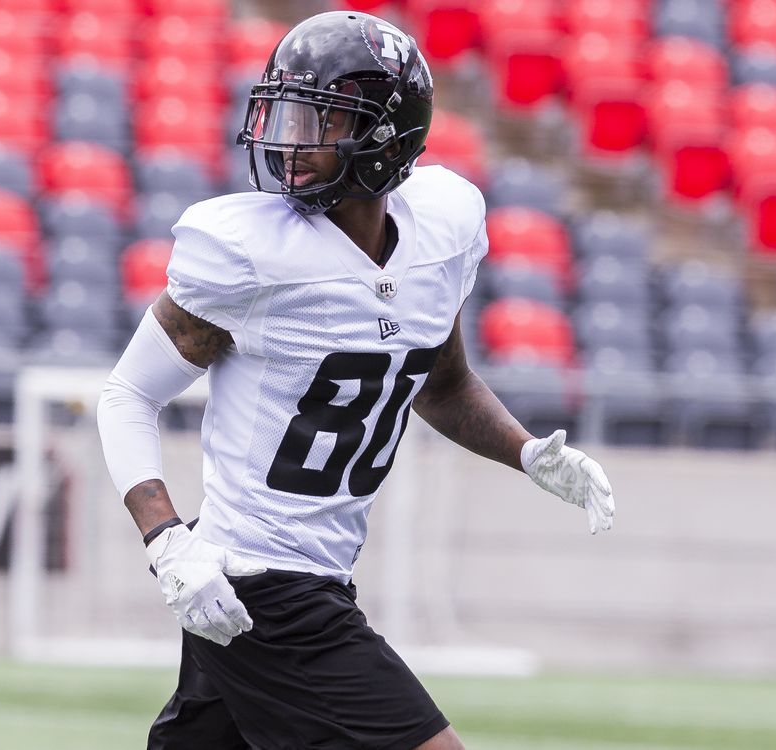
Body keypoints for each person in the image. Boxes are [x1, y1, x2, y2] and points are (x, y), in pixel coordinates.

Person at [97, 10, 615, 749]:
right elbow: (128, 394)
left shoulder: (441, 231)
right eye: (285, 114)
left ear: (387, 135)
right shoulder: (249, 252)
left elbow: (440, 384)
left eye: (319, 120)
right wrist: (166, 540)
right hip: (263, 583)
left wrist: (527, 452)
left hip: (308, 579)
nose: (289, 141)